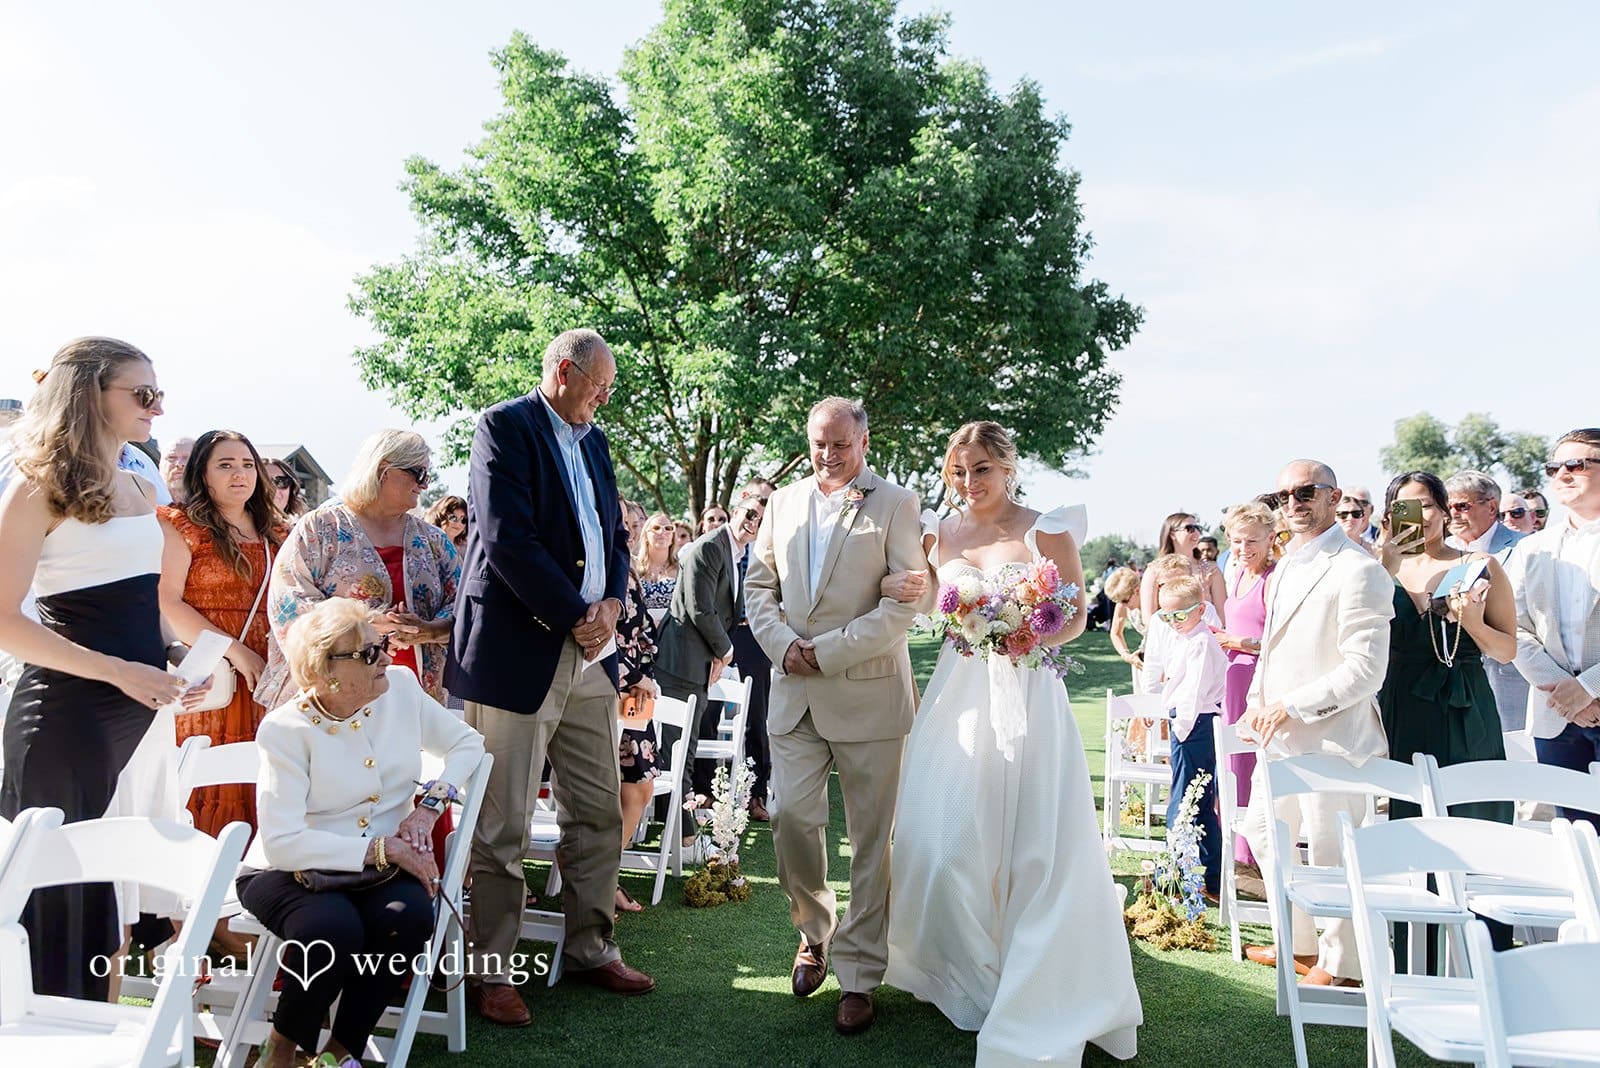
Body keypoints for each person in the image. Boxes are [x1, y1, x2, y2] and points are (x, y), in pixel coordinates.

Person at [883, 420, 1140, 1063]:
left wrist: (1022, 636)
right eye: (959, 472)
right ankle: (966, 972)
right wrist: (933, 607)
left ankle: (1032, 978)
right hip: (958, 695)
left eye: (981, 470)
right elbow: (923, 604)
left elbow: (1076, 614)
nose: (969, 483)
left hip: (1028, 690)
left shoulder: (1043, 528)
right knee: (946, 839)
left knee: (1032, 839)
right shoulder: (937, 534)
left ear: (1008, 470)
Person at [448, 328, 654, 1030]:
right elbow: (509, 539)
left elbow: (617, 539)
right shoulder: (501, 427)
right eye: (601, 385)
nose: (607, 398)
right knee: (503, 825)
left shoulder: (594, 441)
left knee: (597, 807)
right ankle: (492, 973)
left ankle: (593, 946)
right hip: (515, 651)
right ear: (564, 371)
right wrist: (577, 614)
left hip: (591, 654)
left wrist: (615, 605)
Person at [0, 337, 189, 1000]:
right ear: (88, 394)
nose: (156, 408)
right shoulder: (36, 485)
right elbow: (3, 619)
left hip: (138, 718)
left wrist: (171, 661)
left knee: (111, 910)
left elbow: (146, 603)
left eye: (159, 394)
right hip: (65, 721)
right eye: (143, 394)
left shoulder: (141, 481)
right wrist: (120, 672)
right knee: (60, 910)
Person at [745, 396, 933, 1036]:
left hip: (870, 695)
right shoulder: (783, 501)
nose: (828, 455)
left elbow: (904, 605)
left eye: (840, 445)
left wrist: (821, 653)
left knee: (869, 845)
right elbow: (757, 588)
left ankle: (858, 975)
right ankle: (814, 933)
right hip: (792, 692)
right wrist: (783, 647)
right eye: (818, 444)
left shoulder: (897, 504)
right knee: (793, 820)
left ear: (864, 443)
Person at [240, 598, 483, 1068]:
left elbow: (468, 743)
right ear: (324, 671)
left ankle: (338, 1053)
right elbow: (282, 842)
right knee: (332, 929)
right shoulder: (285, 730)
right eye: (370, 654)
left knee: (408, 919)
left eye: (383, 646)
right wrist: (380, 847)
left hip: (384, 867)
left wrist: (429, 808)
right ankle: (281, 1050)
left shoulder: (402, 690)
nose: (388, 659)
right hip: (292, 870)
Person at [1237, 461, 1392, 987]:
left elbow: (1366, 670)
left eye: (1305, 492)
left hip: (1333, 737)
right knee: (1262, 833)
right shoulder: (1284, 566)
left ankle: (1343, 964)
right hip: (1275, 736)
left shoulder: (1360, 568)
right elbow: (1273, 653)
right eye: (1282, 495)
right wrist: (1258, 705)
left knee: (1330, 851)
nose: (1292, 502)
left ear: (1334, 497)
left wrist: (1291, 706)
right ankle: (1299, 943)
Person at [1374, 470, 1515, 969]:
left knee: (1475, 818)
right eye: (1406, 509)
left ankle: (1489, 961)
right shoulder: (1376, 569)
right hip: (1399, 707)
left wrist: (1473, 623)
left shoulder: (1479, 563)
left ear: (1445, 510)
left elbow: (1507, 647)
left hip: (1463, 703)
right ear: (1390, 517)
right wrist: (1382, 564)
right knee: (1409, 827)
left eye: (1428, 506)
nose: (1421, 518)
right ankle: (1416, 963)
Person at [256, 429, 459, 711]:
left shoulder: (434, 540)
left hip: (414, 700)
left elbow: (463, 606)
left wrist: (429, 630)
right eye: (419, 474)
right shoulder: (320, 529)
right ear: (384, 470)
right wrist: (366, 625)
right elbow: (289, 604)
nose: (425, 485)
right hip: (334, 697)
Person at [157, 429, 286, 835]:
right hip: (212, 671)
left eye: (247, 465)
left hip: (269, 673)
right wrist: (236, 652)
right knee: (208, 775)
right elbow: (167, 601)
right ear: (203, 473)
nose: (239, 474)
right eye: (225, 465)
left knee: (267, 776)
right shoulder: (180, 524)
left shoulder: (278, 532)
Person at [653, 493, 765, 853]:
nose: (753, 522)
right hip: (679, 660)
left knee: (687, 749)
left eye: (761, 519)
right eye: (750, 513)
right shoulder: (708, 547)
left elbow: (723, 612)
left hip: (699, 662)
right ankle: (683, 839)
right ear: (736, 509)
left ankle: (681, 835)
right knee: (676, 751)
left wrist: (719, 654)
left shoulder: (735, 553)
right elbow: (699, 609)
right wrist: (727, 651)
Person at [1504, 429, 1600, 826]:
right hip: (1556, 714)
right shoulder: (1532, 548)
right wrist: (1564, 693)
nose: (1562, 474)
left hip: (1583, 696)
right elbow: (1514, 628)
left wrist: (1589, 689)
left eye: (1576, 464)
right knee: (1576, 837)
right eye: (1554, 467)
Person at [1146, 574, 1225, 899]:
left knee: (1183, 801)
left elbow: (1193, 693)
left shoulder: (1201, 643)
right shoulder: (1186, 639)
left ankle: (1172, 878)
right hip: (1191, 723)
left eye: (1179, 614)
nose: (1172, 621)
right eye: (1166, 616)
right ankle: (1214, 876)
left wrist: (1180, 728)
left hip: (1194, 724)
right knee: (1200, 801)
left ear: (1201, 609)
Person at [1210, 501, 1277, 871]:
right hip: (1230, 678)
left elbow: (1279, 639)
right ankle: (1232, 849)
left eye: (1252, 541)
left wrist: (1237, 642)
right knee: (1231, 763)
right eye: (1237, 541)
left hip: (1258, 680)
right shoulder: (1235, 574)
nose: (1243, 548)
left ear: (1270, 539)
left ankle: (1252, 855)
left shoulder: (1275, 578)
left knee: (1251, 761)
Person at [1444, 470, 1526, 733]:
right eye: (1447, 507)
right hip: (1450, 679)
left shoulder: (1524, 548)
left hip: (1509, 676)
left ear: (1491, 507)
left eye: (1461, 506)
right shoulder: (1440, 551)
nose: (1452, 514)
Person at [614, 498, 661, 914]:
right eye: (623, 522)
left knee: (639, 788)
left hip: (635, 691)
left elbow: (639, 627)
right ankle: (599, 876)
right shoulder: (608, 569)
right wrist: (633, 676)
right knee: (624, 790)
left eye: (634, 523)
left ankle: (604, 873)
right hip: (615, 688)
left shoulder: (628, 568)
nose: (630, 529)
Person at [730, 478, 778, 821]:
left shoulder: (775, 546)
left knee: (756, 719)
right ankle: (702, 795)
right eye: (759, 501)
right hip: (722, 633)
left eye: (769, 505)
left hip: (757, 637)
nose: (762, 511)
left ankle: (755, 794)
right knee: (706, 715)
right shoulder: (726, 542)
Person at [1141, 511, 1224, 623]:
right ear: (1172, 534)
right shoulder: (1154, 571)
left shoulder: (1211, 570)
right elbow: (1148, 618)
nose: (1196, 533)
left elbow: (1221, 614)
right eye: (1189, 528)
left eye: (1198, 528)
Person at [634, 511, 680, 626]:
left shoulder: (682, 569)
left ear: (672, 537)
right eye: (656, 528)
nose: (662, 532)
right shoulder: (633, 567)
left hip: (673, 632)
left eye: (668, 528)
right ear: (645, 535)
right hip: (641, 632)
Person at [1104, 566, 1145, 672]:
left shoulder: (1155, 600)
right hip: (1141, 658)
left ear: (1137, 591)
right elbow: (1115, 633)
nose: (1122, 605)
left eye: (1125, 601)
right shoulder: (1122, 605)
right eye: (1118, 601)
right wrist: (1126, 655)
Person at [1335, 487, 1377, 552]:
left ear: (1372, 509)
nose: (1350, 518)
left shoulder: (1381, 542)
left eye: (1356, 513)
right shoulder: (1324, 544)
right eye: (1343, 514)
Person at [160, 434, 195, 505]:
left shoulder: (215, 506)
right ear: (160, 464)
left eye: (187, 458)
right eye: (172, 457)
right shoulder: (146, 501)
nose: (179, 464)